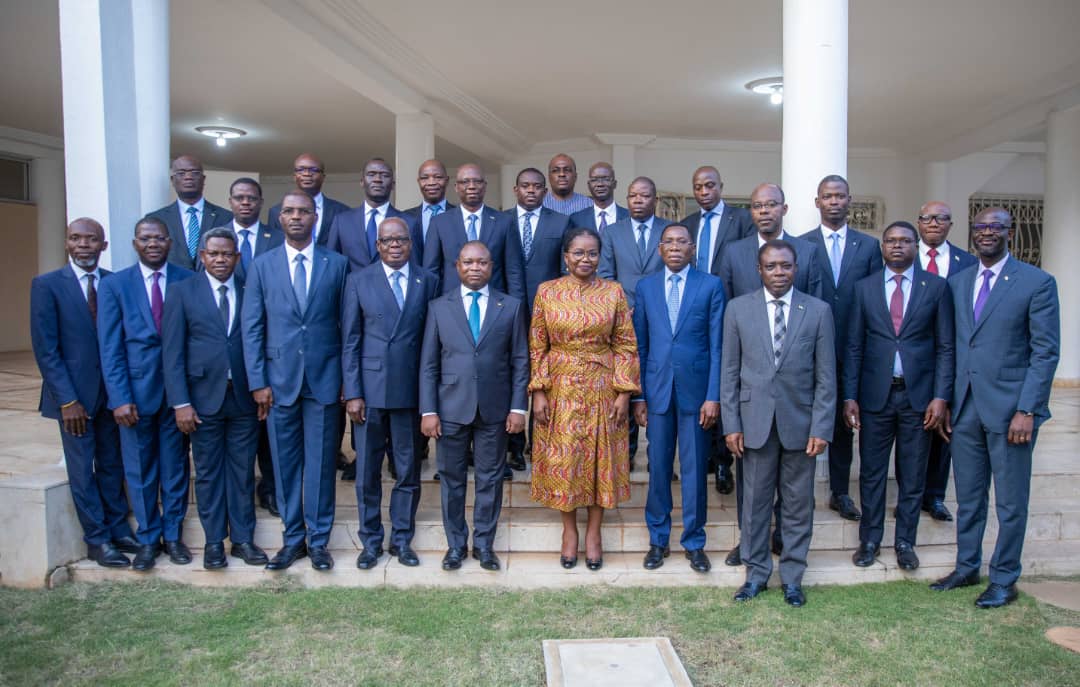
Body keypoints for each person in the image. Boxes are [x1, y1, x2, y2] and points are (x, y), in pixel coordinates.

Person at [931, 207, 1059, 608]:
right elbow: (953, 346)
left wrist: (1028, 409)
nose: (987, 233)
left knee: (1010, 501)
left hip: (1011, 414)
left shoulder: (1036, 282)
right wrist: (947, 399)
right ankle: (967, 566)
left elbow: (1045, 351)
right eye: (982, 227)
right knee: (968, 497)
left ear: (1010, 232)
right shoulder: (959, 282)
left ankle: (1004, 577)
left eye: (996, 227)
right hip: (966, 408)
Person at [721, 240, 835, 607]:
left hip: (801, 426)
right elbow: (730, 373)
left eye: (785, 266)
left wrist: (821, 427)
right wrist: (731, 424)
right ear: (759, 270)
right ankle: (755, 575)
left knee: (798, 504)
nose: (779, 273)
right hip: (753, 423)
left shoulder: (818, 311)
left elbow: (826, 377)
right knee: (754, 504)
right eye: (771, 266)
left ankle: (792, 577)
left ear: (795, 268)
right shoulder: (738, 309)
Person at [242, 190, 349, 571]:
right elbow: (252, 327)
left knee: (321, 465)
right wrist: (258, 380)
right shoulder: (262, 265)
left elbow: (347, 326)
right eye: (289, 211)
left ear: (315, 218)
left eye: (304, 211)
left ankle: (318, 541)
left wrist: (345, 381)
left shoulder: (336, 264)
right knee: (284, 465)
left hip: (324, 381)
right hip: (278, 381)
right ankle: (292, 540)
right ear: (279, 218)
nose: (297, 217)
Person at [717, 183, 822, 565]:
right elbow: (726, 331)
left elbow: (816, 317)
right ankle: (752, 549)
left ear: (784, 208)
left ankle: (789, 559)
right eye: (757, 205)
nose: (764, 211)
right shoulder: (733, 253)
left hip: (796, 400)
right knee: (754, 492)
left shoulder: (808, 254)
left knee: (796, 496)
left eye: (771, 204)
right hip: (754, 398)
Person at [843, 221, 954, 572]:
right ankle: (870, 540)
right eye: (890, 241)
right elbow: (854, 345)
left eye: (905, 241)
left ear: (916, 246)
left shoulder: (936, 288)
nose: (897, 246)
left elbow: (946, 347)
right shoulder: (864, 289)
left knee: (912, 474)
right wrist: (849, 396)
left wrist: (941, 396)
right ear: (882, 247)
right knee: (872, 473)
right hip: (875, 397)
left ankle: (905, 541)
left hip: (918, 398)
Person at [530, 227, 640, 571]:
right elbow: (538, 345)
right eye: (578, 253)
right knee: (567, 460)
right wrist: (539, 391)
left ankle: (594, 533)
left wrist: (624, 393)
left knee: (598, 462)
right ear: (565, 256)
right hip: (560, 387)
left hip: (602, 387)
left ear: (600, 257)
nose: (585, 259)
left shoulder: (613, 292)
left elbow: (625, 344)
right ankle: (569, 533)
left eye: (592, 253)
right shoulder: (547, 292)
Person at [30, 218, 137, 568]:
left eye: (91, 239)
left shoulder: (112, 282)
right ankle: (97, 539)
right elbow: (47, 350)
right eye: (76, 238)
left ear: (103, 245)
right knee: (82, 469)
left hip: (112, 395)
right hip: (73, 400)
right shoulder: (47, 286)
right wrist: (67, 400)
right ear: (67, 243)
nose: (83, 245)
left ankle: (119, 528)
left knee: (111, 464)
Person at [161, 227, 268, 569]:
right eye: (214, 254)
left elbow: (257, 341)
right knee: (207, 473)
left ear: (237, 258)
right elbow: (172, 353)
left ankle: (242, 540)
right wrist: (180, 402)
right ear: (203, 256)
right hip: (200, 400)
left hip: (243, 400)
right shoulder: (182, 292)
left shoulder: (249, 288)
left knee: (241, 472)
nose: (221, 259)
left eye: (227, 254)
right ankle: (213, 543)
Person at [420, 241, 529, 572]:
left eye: (482, 262)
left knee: (490, 479)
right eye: (468, 262)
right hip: (450, 409)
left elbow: (521, 361)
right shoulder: (439, 307)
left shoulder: (509, 306)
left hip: (495, 410)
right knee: (452, 479)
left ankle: (484, 545)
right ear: (457, 266)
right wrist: (428, 410)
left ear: (491, 266)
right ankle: (455, 546)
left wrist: (517, 408)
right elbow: (428, 364)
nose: (475, 268)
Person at [97, 217, 194, 571]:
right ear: (135, 243)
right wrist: (119, 397)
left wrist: (187, 396)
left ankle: (174, 536)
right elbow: (110, 347)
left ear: (170, 242)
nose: (153, 243)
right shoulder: (115, 285)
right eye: (145, 238)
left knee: (175, 468)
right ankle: (148, 539)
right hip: (134, 395)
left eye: (159, 238)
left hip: (177, 393)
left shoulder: (187, 279)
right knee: (139, 471)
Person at [342, 217, 439, 570]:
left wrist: (430, 397)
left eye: (401, 239)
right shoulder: (358, 280)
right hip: (369, 393)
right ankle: (370, 542)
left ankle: (402, 540)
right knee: (368, 473)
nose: (395, 245)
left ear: (410, 244)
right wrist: (352, 392)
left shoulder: (427, 280)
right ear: (378, 245)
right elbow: (350, 340)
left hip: (411, 392)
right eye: (387, 240)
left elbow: (432, 341)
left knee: (408, 471)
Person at [632, 224, 724, 574]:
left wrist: (713, 395)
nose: (674, 247)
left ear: (692, 249)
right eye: (668, 242)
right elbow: (640, 345)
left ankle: (694, 541)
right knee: (657, 469)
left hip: (696, 394)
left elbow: (717, 346)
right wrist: (638, 396)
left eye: (681, 242)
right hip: (656, 392)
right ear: (659, 249)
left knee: (695, 470)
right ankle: (658, 540)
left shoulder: (711, 285)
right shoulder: (646, 287)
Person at [801, 174, 883, 521]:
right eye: (827, 196)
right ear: (817, 202)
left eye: (840, 196)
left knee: (842, 424)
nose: (834, 202)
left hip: (853, 344)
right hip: (811, 346)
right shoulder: (802, 245)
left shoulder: (867, 247)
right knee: (803, 419)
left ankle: (840, 491)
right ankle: (799, 494)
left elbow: (877, 295)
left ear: (850, 201)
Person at [214, 177, 282, 516]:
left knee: (268, 430)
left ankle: (270, 489)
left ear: (260, 201)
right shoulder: (217, 240)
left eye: (251, 198)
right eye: (239, 197)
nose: (245, 203)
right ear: (230, 201)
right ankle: (237, 497)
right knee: (241, 431)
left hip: (271, 347)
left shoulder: (277, 238)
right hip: (227, 350)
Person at [597, 175, 669, 467]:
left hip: (661, 321)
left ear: (655, 199)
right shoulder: (612, 232)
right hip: (621, 321)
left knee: (656, 384)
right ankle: (624, 455)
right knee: (624, 384)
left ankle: (657, 455)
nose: (638, 201)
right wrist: (620, 309)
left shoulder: (669, 230)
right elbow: (605, 274)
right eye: (633, 196)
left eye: (644, 196)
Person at [505, 167, 572, 472]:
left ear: (545, 191)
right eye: (525, 186)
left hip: (550, 314)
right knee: (513, 376)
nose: (531, 191)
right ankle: (514, 448)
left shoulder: (560, 221)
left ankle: (540, 444)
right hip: (506, 312)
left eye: (536, 187)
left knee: (544, 379)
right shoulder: (500, 221)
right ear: (515, 189)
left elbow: (563, 271)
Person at [915, 201, 977, 522]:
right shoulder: (905, 258)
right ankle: (911, 490)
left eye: (941, 218)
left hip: (950, 356)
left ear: (951, 224)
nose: (934, 223)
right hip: (912, 357)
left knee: (944, 429)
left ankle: (935, 495)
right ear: (919, 223)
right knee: (914, 430)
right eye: (927, 218)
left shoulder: (967, 263)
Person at [423, 163, 526, 301]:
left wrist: (516, 308)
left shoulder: (504, 222)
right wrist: (432, 310)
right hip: (451, 304)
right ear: (456, 187)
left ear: (485, 186)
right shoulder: (439, 223)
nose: (471, 186)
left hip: (495, 305)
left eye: (477, 181)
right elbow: (431, 272)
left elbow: (514, 271)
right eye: (465, 182)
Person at [146, 154, 232, 271]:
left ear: (203, 179)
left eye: (194, 172)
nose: (188, 177)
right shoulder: (157, 219)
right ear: (172, 180)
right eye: (181, 173)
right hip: (172, 286)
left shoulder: (226, 217)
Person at [327, 157, 411, 272]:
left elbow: (414, 266)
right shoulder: (341, 221)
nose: (378, 179)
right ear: (362, 182)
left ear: (393, 184)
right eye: (371, 174)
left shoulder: (409, 222)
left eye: (385, 175)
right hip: (352, 289)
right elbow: (332, 265)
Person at [681, 166, 755, 276]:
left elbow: (750, 258)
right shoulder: (686, 224)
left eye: (710, 186)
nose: (704, 192)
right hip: (694, 290)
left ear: (721, 187)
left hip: (730, 290)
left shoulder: (743, 218)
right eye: (697, 188)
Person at [267, 153, 350, 247]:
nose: (306, 174)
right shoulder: (276, 211)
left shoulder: (342, 211)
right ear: (294, 176)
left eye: (313, 170)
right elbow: (275, 246)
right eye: (301, 170)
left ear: (323, 177)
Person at [402, 159, 455, 263]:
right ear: (418, 181)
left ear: (447, 180)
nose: (431, 182)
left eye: (438, 177)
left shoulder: (459, 215)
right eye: (425, 178)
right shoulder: (405, 217)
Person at [569, 162, 628, 233]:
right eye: (594, 180)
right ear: (589, 185)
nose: (600, 184)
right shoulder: (576, 219)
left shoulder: (629, 217)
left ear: (614, 184)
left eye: (605, 179)